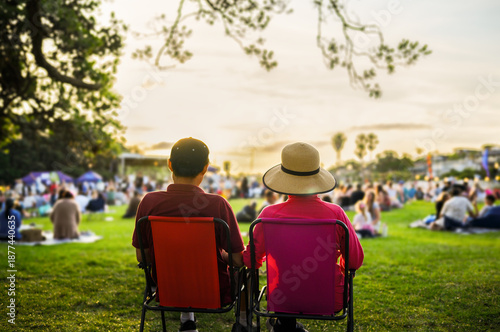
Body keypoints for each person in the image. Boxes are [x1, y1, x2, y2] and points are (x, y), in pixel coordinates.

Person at [242, 142, 364, 332]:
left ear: (284, 179)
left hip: (284, 298)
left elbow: (251, 260)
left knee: (285, 288)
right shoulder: (336, 214)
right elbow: (354, 261)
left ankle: (284, 324)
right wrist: (341, 267)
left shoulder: (268, 215)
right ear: (316, 178)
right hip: (331, 299)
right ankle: (286, 326)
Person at [131, 137, 244, 332]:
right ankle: (242, 323)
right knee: (246, 269)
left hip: (168, 289)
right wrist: (219, 255)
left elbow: (143, 257)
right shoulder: (218, 205)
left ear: (170, 164)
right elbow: (237, 260)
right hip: (214, 292)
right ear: (205, 168)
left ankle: (187, 320)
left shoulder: (149, 202)